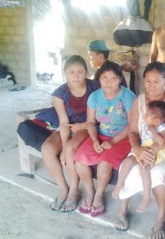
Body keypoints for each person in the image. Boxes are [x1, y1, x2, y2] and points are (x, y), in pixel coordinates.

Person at [114, 61, 165, 239]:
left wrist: (156, 148)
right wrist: (137, 149)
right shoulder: (139, 101)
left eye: (156, 81)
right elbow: (132, 131)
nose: (151, 86)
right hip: (142, 146)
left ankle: (161, 218)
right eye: (147, 81)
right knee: (128, 166)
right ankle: (122, 209)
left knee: (157, 175)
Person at [73, 61, 136, 217]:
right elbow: (90, 123)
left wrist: (113, 141)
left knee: (104, 164)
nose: (108, 82)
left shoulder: (128, 97)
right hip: (101, 134)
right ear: (99, 79)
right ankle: (90, 192)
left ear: (120, 79)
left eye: (113, 78)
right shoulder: (94, 97)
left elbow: (132, 125)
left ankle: (99, 194)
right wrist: (95, 140)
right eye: (104, 78)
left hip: (124, 138)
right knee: (79, 161)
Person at [41, 55, 100, 212]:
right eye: (71, 72)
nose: (76, 76)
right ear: (64, 73)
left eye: (80, 71)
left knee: (70, 149)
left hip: (89, 126)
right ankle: (63, 189)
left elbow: (99, 117)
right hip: (70, 126)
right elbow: (63, 122)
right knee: (47, 149)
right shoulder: (59, 94)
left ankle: (74, 191)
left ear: (87, 72)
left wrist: (68, 147)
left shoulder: (95, 87)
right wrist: (64, 144)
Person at [112, 100, 165, 213]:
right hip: (144, 147)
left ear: (156, 120)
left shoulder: (163, 127)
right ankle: (119, 185)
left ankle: (146, 197)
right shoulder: (145, 125)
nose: (144, 116)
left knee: (144, 169)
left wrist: (153, 131)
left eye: (147, 114)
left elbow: (161, 141)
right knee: (127, 161)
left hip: (157, 150)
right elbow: (134, 134)